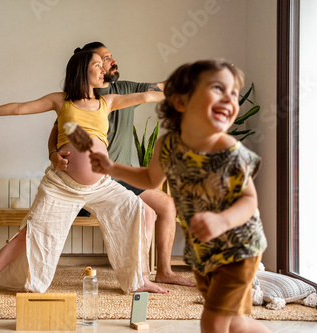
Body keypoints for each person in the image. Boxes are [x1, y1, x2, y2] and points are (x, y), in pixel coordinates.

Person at [0, 50, 164, 299]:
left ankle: (139, 279)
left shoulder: (109, 102)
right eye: (97, 65)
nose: (103, 70)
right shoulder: (61, 100)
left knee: (143, 212)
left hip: (101, 186)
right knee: (29, 234)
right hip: (62, 185)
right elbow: (20, 108)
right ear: (81, 72)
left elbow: (149, 95)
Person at [89, 59, 270, 333]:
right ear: (181, 101)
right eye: (218, 88)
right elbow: (149, 179)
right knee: (236, 322)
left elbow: (249, 201)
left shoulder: (227, 148)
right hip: (203, 252)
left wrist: (221, 222)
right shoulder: (168, 145)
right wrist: (113, 168)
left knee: (214, 321)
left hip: (238, 247)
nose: (230, 98)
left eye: (233, 93)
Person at [48, 42, 194, 292]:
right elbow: (58, 131)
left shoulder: (124, 91)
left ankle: (160, 272)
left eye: (111, 56)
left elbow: (160, 88)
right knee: (151, 210)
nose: (112, 60)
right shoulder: (77, 98)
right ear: (91, 66)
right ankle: (141, 275)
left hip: (120, 177)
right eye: (104, 58)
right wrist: (53, 154)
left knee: (163, 207)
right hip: (93, 180)